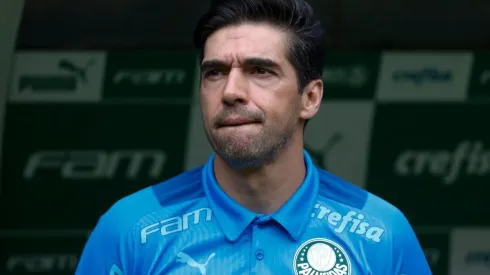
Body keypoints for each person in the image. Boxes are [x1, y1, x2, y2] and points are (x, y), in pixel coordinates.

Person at [75, 0, 432, 274]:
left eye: (260, 70)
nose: (230, 91)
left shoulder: (382, 233)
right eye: (214, 72)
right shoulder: (130, 228)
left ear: (310, 98)